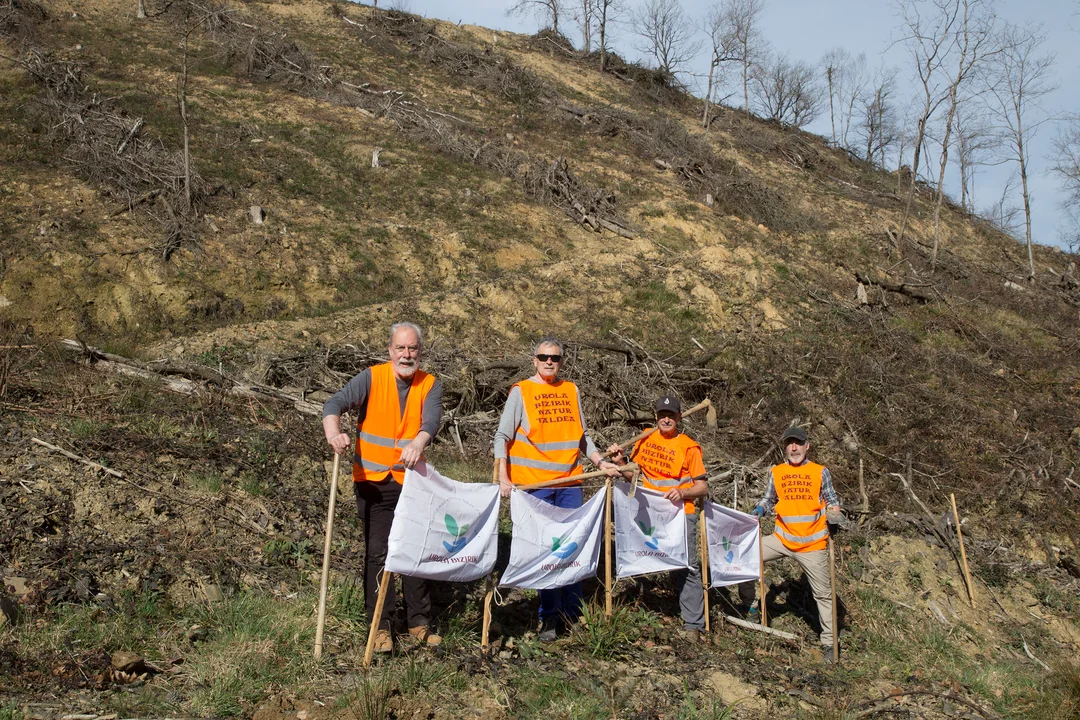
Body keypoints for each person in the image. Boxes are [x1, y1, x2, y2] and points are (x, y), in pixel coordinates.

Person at [322, 322, 443, 653]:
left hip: (412, 483)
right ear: (390, 351)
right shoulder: (371, 378)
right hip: (373, 483)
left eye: (413, 348)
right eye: (400, 348)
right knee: (379, 554)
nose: (407, 354)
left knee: (415, 550)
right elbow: (333, 405)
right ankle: (380, 627)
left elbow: (431, 422)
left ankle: (419, 622)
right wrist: (334, 434)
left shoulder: (430, 384)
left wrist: (418, 442)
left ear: (420, 351)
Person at [494, 337, 620, 641]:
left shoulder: (570, 390)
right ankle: (549, 616)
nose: (549, 362)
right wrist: (503, 476)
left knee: (572, 547)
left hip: (569, 483)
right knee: (548, 551)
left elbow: (582, 436)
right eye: (544, 357)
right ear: (534, 360)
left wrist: (601, 462)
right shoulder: (522, 391)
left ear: (562, 361)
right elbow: (502, 437)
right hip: (536, 486)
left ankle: (572, 613)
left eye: (555, 358)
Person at [737, 426, 843, 663]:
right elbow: (769, 498)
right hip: (782, 539)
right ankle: (751, 607)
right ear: (785, 447)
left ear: (807, 446)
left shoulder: (820, 471)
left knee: (823, 595)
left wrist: (834, 515)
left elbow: (832, 499)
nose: (794, 448)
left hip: (812, 544)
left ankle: (829, 644)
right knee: (745, 555)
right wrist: (760, 509)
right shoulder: (777, 472)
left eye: (798, 443)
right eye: (789, 443)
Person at [608, 395, 709, 641]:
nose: (666, 419)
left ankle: (693, 625)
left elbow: (703, 487)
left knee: (686, 566)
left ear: (678, 417)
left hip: (679, 515)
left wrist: (683, 492)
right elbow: (634, 478)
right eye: (662, 415)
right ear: (655, 416)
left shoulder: (689, 447)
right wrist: (620, 462)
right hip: (649, 512)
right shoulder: (645, 439)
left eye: (671, 415)